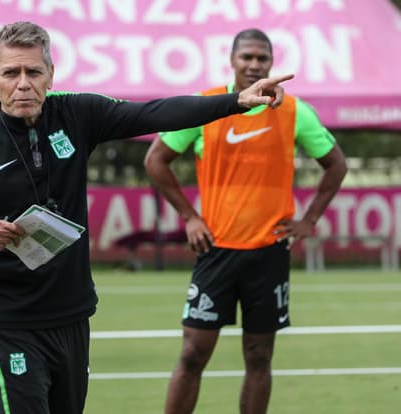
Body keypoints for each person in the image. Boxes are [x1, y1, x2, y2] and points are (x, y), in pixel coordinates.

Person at [0, 21, 293, 414]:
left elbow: (154, 113)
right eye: (11, 73)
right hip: (9, 320)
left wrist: (235, 101)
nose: (24, 83)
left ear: (51, 75)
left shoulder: (77, 114)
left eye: (34, 72)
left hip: (72, 313)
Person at [144, 28, 348, 414]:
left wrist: (309, 220)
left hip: (269, 253)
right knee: (192, 354)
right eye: (247, 57)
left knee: (259, 357)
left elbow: (336, 165)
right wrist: (189, 216)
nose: (254, 65)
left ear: (271, 63)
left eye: (262, 58)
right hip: (216, 250)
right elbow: (155, 160)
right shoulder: (207, 105)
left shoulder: (294, 111)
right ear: (233, 60)